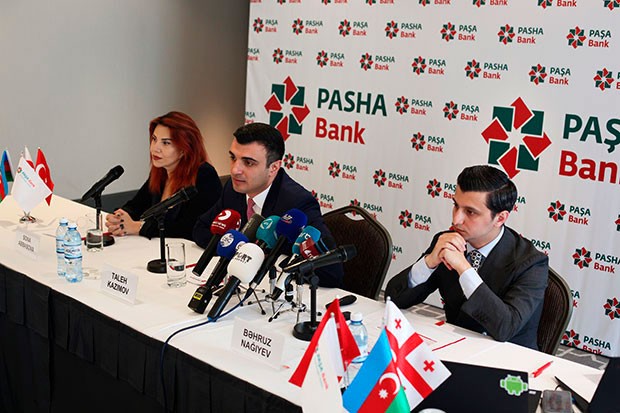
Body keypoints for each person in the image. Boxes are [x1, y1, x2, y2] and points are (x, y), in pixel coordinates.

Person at [385, 165, 548, 350]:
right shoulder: (446, 241)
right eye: (456, 205)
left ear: (500, 218)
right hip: (455, 348)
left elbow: (505, 328)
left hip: (508, 359)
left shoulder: (531, 263)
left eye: (470, 212)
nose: (456, 220)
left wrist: (464, 269)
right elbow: (393, 299)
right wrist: (429, 262)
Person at [193, 122, 343, 288]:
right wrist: (239, 250)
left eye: (248, 163)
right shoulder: (234, 188)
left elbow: (331, 272)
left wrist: (266, 260)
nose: (235, 170)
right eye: (233, 158)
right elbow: (201, 230)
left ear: (274, 167)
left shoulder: (298, 203)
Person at [105, 111, 222, 241]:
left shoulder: (204, 175)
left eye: (166, 143)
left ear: (184, 149)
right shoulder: (162, 170)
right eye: (154, 139)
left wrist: (139, 227)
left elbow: (189, 228)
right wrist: (120, 217)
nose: (155, 148)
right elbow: (137, 205)